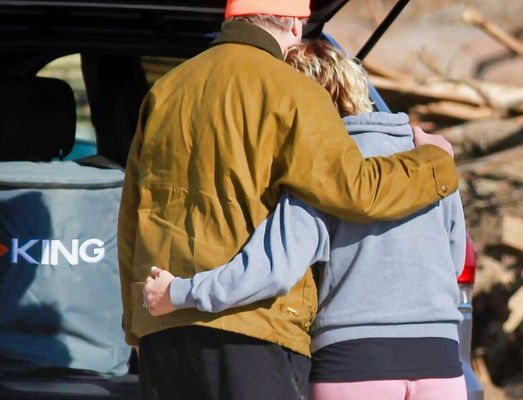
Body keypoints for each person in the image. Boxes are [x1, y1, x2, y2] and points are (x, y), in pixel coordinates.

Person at [118, 0, 460, 398]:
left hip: (165, 329)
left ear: (231, 17)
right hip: (256, 328)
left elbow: (132, 217)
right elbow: (356, 191)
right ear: (296, 26)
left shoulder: (166, 90)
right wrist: (436, 163)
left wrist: (136, 324)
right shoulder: (293, 90)